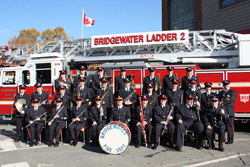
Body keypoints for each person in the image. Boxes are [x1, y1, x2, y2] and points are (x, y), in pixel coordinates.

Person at [218, 80, 237, 144]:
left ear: (229, 85)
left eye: (227, 85)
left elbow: (231, 100)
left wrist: (222, 103)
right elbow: (218, 100)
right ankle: (222, 139)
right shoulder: (221, 93)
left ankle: (230, 140)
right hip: (221, 112)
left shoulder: (233, 92)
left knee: (229, 127)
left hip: (229, 111)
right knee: (222, 126)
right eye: (225, 85)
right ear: (223, 86)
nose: (226, 86)